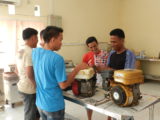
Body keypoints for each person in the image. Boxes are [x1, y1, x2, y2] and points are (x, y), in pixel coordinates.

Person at [32, 26, 88, 120]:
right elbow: (63, 85)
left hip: (40, 103)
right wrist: (77, 69)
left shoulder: (35, 52)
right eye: (60, 40)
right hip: (53, 105)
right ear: (53, 40)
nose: (61, 43)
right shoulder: (57, 59)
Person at [97, 28, 135, 120]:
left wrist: (109, 70)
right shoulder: (112, 53)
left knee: (125, 114)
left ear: (122, 40)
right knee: (115, 112)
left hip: (125, 89)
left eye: (114, 42)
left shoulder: (129, 54)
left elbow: (127, 75)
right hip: (113, 87)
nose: (112, 44)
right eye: (111, 42)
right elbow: (108, 69)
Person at [16, 28, 40, 120]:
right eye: (37, 38)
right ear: (33, 38)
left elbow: (17, 70)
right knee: (30, 114)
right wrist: (37, 86)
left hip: (22, 85)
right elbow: (29, 73)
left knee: (35, 113)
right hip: (30, 89)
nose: (37, 40)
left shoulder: (20, 50)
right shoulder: (30, 52)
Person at [82, 36, 108, 120]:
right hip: (92, 81)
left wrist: (97, 68)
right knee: (90, 101)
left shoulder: (105, 54)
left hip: (104, 79)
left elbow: (108, 68)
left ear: (97, 44)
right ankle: (89, 118)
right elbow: (83, 68)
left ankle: (109, 118)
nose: (93, 48)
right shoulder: (86, 56)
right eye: (91, 47)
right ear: (88, 47)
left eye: (95, 46)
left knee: (108, 99)